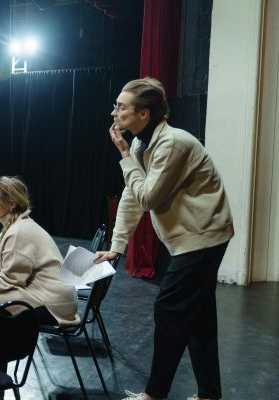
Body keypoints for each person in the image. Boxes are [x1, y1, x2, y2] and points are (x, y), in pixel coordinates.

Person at [95, 77, 234, 400]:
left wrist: (124, 155)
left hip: (203, 237)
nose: (114, 113)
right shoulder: (142, 144)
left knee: (170, 309)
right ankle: (209, 395)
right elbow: (132, 196)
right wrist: (117, 247)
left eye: (121, 107)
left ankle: (154, 395)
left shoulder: (172, 143)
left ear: (143, 114)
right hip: (191, 237)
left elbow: (148, 198)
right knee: (198, 317)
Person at [0, 176, 79, 327]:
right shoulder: (16, 226)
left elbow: (11, 279)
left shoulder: (18, 231)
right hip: (51, 295)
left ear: (11, 204)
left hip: (55, 303)